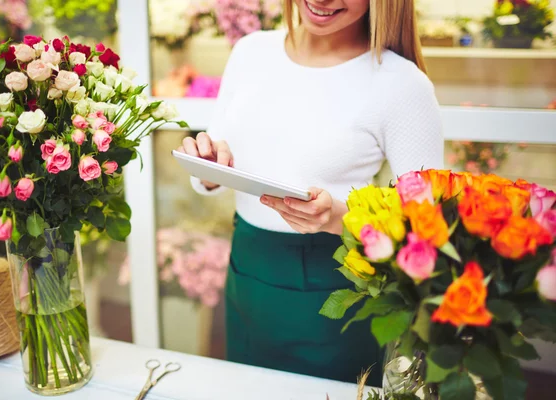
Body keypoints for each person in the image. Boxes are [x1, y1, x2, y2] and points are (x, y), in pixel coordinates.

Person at [177, 0, 443, 385]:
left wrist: (342, 218)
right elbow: (219, 153)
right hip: (246, 272)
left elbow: (425, 228)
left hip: (333, 289)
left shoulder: (401, 84)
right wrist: (207, 168)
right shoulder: (250, 52)